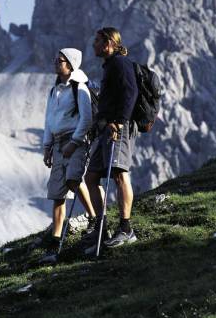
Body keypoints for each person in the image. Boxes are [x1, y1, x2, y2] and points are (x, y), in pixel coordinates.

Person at [83, 27, 139, 248]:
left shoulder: (120, 63)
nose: (93, 45)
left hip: (118, 127)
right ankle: (101, 227)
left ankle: (126, 229)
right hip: (106, 128)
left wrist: (120, 121)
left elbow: (131, 92)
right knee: (91, 177)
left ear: (108, 43)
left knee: (119, 174)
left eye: (97, 41)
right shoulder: (110, 66)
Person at [42, 48, 96, 259]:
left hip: (75, 141)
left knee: (73, 179)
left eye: (60, 60)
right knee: (57, 194)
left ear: (71, 64)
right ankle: (56, 240)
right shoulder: (54, 90)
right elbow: (49, 119)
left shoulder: (79, 88)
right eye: (56, 59)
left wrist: (75, 142)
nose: (56, 63)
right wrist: (47, 147)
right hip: (57, 144)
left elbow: (86, 118)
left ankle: (93, 218)